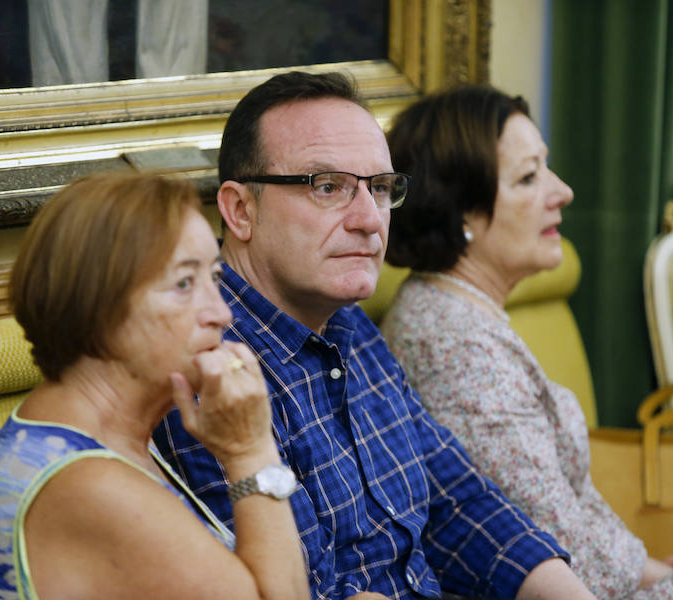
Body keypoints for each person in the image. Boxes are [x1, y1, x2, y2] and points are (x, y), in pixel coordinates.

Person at [153, 70, 596, 599]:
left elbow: (455, 498)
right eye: (327, 187)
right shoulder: (204, 362)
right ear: (240, 210)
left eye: (381, 188)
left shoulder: (349, 320)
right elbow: (299, 589)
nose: (369, 219)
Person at [381, 83, 673, 599]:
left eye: (547, 167)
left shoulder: (458, 314)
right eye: (528, 177)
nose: (561, 191)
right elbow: (552, 546)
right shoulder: (451, 348)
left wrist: (657, 569)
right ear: (463, 214)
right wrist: (662, 578)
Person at [0, 173, 309, 600]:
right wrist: (251, 451)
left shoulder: (100, 438)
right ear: (97, 307)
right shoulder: (90, 485)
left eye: (214, 276)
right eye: (184, 284)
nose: (221, 313)